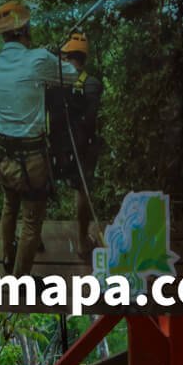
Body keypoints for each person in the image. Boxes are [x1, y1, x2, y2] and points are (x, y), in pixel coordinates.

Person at [0, 0, 75, 276]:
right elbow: (71, 75)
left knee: (10, 206)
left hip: (5, 156)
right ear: (24, 29)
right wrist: (55, 58)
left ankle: (7, 260)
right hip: (32, 157)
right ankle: (19, 280)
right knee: (32, 221)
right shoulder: (39, 59)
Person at [47, 31, 104, 258]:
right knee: (82, 191)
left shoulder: (53, 84)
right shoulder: (92, 84)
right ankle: (81, 241)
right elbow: (91, 119)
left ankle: (33, 238)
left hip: (57, 146)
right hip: (82, 147)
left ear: (66, 57)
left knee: (39, 192)